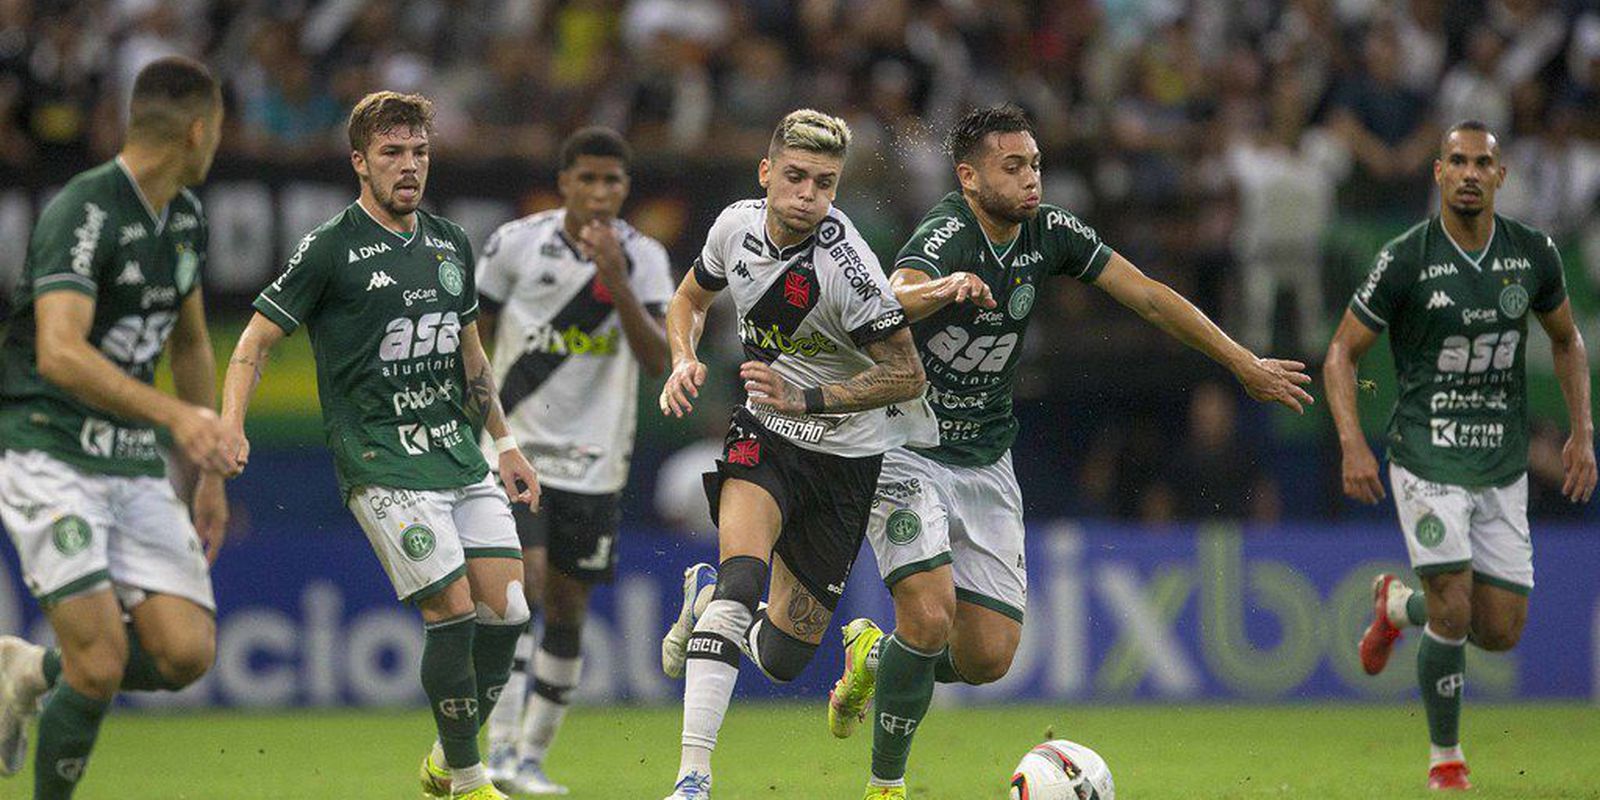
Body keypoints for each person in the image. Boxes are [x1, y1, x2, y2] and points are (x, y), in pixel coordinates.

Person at [825, 104, 1315, 800]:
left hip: (988, 458)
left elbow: (1144, 295)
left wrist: (1239, 361)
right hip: (908, 448)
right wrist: (944, 288)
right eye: (1013, 166)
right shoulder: (947, 232)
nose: (1031, 180)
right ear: (968, 177)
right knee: (930, 616)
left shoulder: (1048, 231)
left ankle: (879, 654)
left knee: (988, 657)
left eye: (1035, 165)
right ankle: (886, 785)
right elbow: (894, 295)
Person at [218, 91, 541, 800]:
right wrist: (231, 423)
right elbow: (253, 341)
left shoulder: (450, 242)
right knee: (451, 610)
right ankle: (468, 778)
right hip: (381, 463)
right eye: (392, 153)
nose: (409, 166)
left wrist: (507, 442)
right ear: (359, 162)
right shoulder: (331, 246)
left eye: (419, 152)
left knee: (509, 611)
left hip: (458, 454)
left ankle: (441, 759)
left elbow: (471, 359)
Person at [655, 108, 935, 800]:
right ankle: (693, 777)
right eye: (796, 176)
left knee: (782, 659)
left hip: (846, 460)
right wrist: (682, 357)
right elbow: (688, 297)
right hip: (766, 435)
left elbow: (908, 376)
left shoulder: (850, 268)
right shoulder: (733, 227)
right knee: (741, 584)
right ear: (766, 173)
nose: (809, 193)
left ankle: (702, 598)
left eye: (825, 183)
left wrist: (809, 400)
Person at [1328, 120, 1595, 791]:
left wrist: (1581, 431)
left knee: (1499, 629)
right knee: (1452, 606)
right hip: (1424, 453)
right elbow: (1342, 355)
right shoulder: (1406, 258)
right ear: (1439, 174)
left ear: (1501, 176)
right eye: (1457, 161)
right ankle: (1445, 758)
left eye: (1483, 162)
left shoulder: (1532, 254)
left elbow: (1567, 341)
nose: (1470, 172)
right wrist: (1354, 441)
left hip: (1501, 463)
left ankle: (1396, 607)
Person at [0, 56, 232, 800]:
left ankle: (27, 672)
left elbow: (190, 344)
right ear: (199, 130)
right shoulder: (85, 209)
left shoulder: (187, 216)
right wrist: (176, 417)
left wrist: (210, 474)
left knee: (186, 654)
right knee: (99, 663)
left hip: (131, 463)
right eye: (220, 127)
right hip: (49, 450)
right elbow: (59, 352)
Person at [475, 127, 673, 795]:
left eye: (612, 181)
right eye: (586, 179)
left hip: (595, 462)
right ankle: (497, 750)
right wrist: (486, 420)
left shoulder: (644, 259)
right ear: (564, 182)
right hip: (517, 450)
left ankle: (530, 758)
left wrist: (614, 280)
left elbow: (657, 360)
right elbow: (478, 337)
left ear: (626, 188)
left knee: (565, 607)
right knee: (518, 588)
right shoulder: (514, 244)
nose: (599, 193)